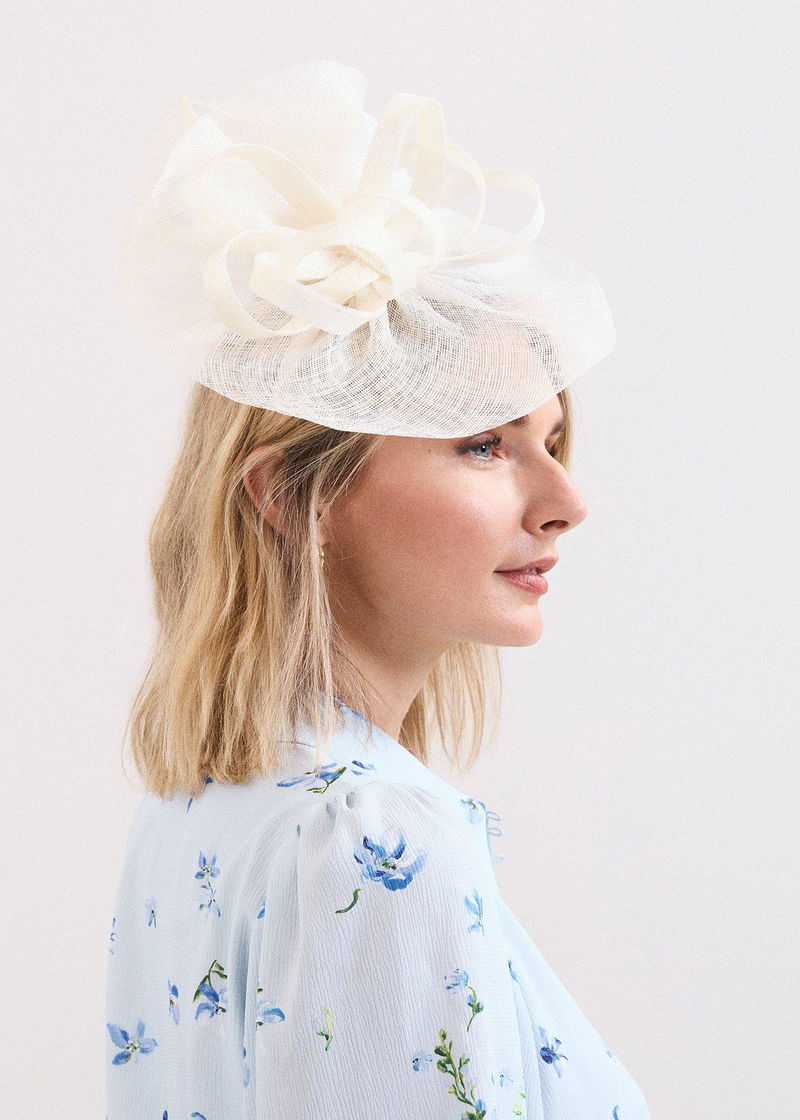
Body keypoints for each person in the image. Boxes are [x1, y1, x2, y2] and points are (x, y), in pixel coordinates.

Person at [105, 60, 651, 1119]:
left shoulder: (196, 804)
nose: (564, 501)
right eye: (483, 444)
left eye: (550, 441)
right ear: (291, 495)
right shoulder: (374, 835)